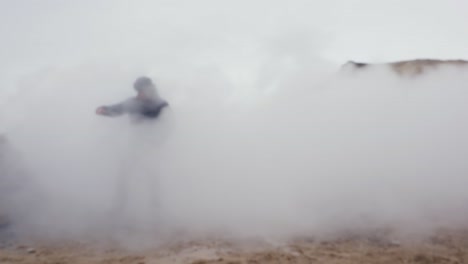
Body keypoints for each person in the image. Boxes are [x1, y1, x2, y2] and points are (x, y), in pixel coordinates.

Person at [96, 76, 169, 121]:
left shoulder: (161, 105)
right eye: (138, 91)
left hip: (155, 142)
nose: (139, 94)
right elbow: (118, 109)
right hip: (137, 142)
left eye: (142, 91)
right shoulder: (134, 103)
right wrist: (104, 110)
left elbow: (167, 125)